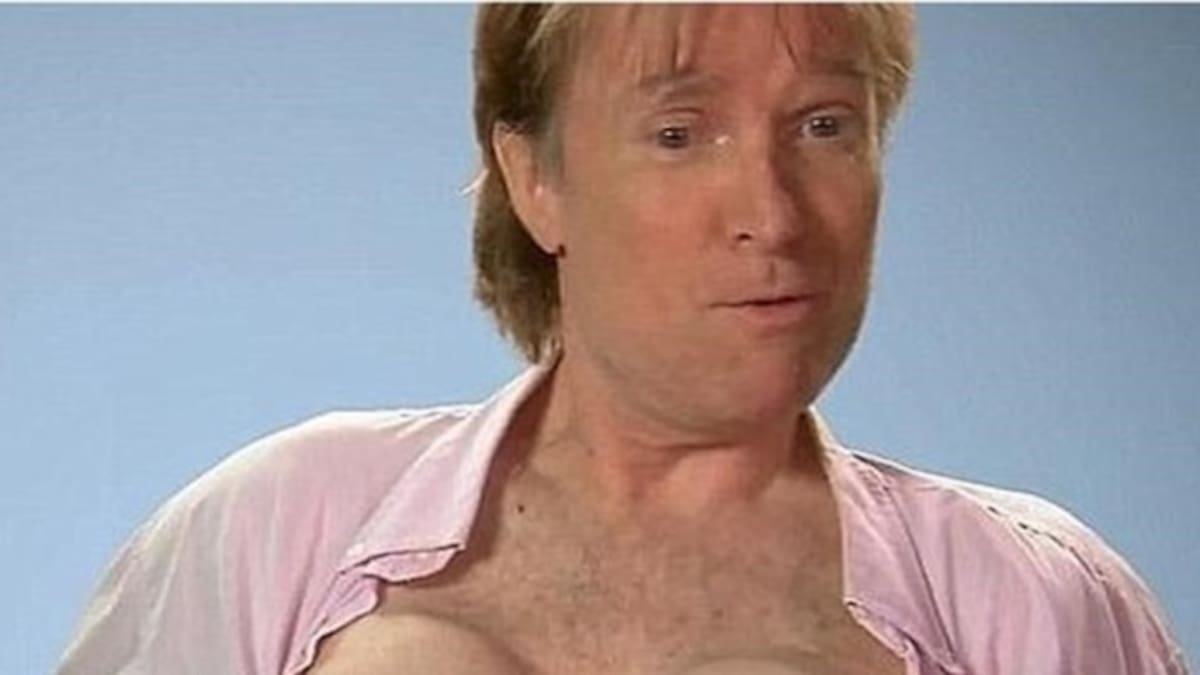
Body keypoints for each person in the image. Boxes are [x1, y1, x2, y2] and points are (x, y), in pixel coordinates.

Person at [57, 4, 1188, 675]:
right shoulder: (278, 528)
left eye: (823, 126)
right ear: (534, 180)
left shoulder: (1032, 600)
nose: (773, 212)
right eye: (680, 133)